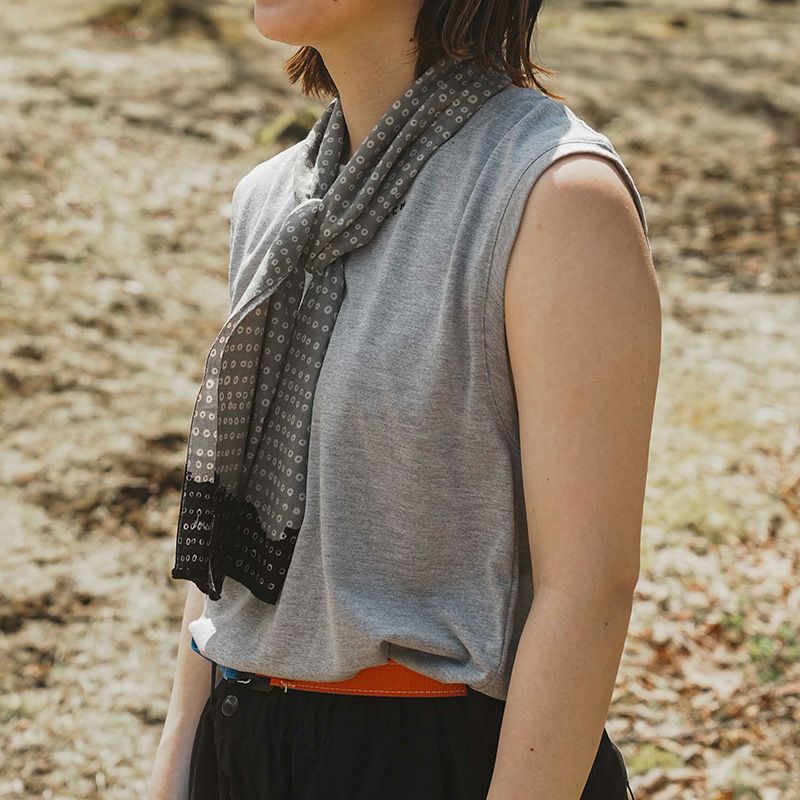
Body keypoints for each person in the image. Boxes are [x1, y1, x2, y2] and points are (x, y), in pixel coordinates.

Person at [148, 0, 660, 798]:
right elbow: (228, 551)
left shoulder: (554, 194)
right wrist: (179, 763)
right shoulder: (271, 199)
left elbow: (589, 589)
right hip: (240, 736)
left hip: (434, 758)